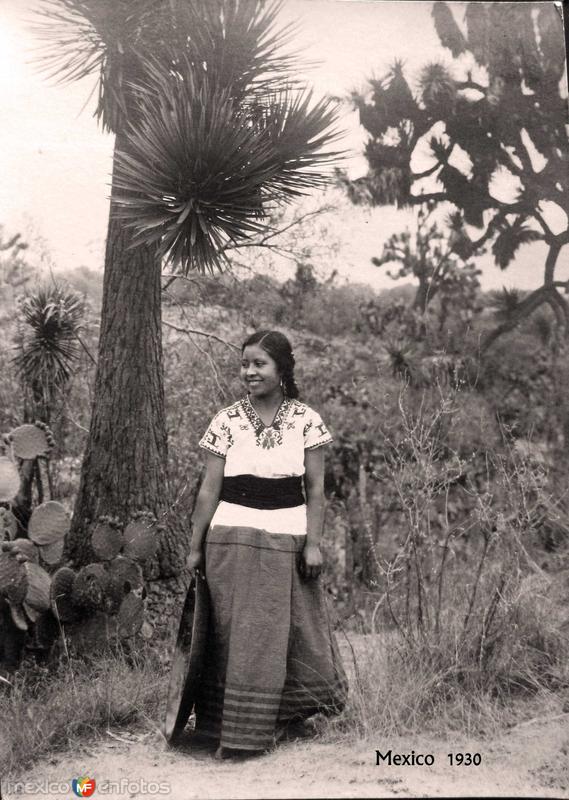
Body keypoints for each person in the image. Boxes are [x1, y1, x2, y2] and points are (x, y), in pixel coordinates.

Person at [187, 329, 347, 758]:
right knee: (232, 632)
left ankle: (287, 719)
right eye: (245, 364)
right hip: (231, 536)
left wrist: (313, 544)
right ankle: (226, 730)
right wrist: (195, 545)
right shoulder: (226, 420)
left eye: (259, 364)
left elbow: (316, 489)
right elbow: (208, 489)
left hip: (288, 537)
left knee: (289, 629)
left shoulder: (306, 420)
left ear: (282, 369)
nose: (250, 372)